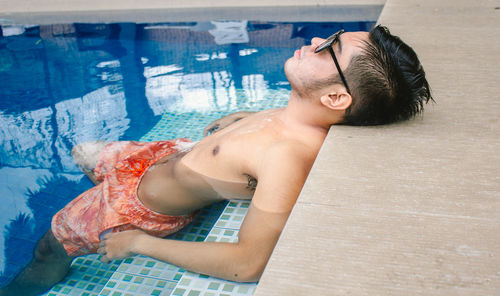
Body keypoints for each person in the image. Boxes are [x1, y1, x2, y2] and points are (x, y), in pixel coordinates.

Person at [0, 25, 432, 296]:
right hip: (164, 156)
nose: (318, 40)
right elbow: (272, 130)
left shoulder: (285, 158)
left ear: (337, 98)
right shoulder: (296, 118)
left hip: (136, 206)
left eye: (331, 47)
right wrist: (242, 121)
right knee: (81, 152)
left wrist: (140, 244)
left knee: (46, 249)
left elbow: (248, 263)